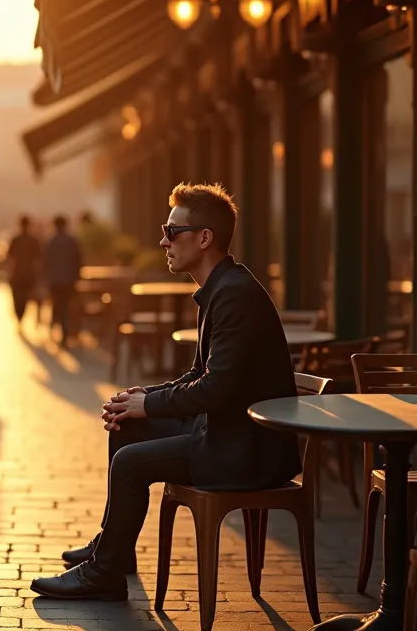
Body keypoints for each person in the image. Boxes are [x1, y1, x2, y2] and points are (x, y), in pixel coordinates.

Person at [30, 183, 302, 601]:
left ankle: (103, 575)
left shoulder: (233, 295)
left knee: (129, 462)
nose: (163, 241)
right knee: (125, 427)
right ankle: (114, 554)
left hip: (244, 451)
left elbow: (216, 388)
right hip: (227, 434)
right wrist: (142, 398)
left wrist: (150, 403)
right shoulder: (222, 287)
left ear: (204, 238)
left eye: (172, 231)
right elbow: (200, 373)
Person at [44, 214, 83, 346]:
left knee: (57, 305)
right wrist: (77, 276)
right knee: (66, 306)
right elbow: (78, 261)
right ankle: (64, 331)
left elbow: (45, 262)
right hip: (69, 279)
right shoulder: (72, 241)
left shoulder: (51, 242)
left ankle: (57, 326)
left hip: (54, 280)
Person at [6, 214, 42, 325]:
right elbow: (39, 258)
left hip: (17, 273)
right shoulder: (33, 240)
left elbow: (9, 256)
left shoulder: (15, 239)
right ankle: (21, 316)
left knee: (17, 297)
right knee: (25, 297)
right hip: (29, 273)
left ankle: (19, 316)